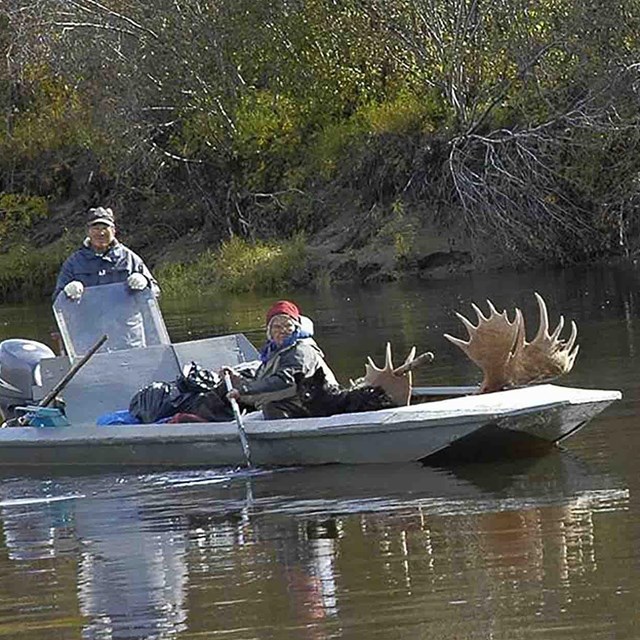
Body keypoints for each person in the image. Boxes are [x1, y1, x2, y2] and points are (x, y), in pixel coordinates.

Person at [226, 300, 338, 419]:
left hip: (315, 405)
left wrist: (244, 389)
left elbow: (286, 378)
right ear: (270, 332)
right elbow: (262, 381)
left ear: (296, 328)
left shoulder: (301, 350)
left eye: (288, 325)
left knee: (271, 409)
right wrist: (238, 379)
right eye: (277, 327)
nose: (283, 330)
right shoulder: (274, 352)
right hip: (294, 401)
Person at [52, 206, 159, 302]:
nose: (101, 233)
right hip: (90, 322)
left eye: (105, 228)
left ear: (113, 230)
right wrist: (66, 292)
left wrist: (145, 282)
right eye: (96, 228)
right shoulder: (73, 263)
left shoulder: (130, 259)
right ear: (88, 232)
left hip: (126, 322)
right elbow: (57, 299)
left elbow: (155, 291)